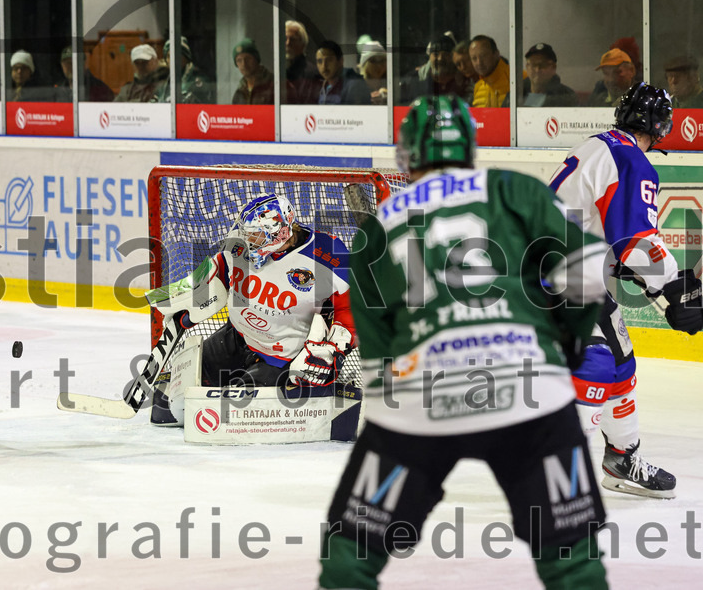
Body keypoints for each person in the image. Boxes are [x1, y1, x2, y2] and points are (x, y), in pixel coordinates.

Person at [319, 94, 611, 589]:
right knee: (571, 560)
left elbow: (377, 352)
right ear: (471, 148)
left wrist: (395, 422)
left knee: (351, 554)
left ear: (406, 156)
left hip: (419, 400)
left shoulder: (377, 228)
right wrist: (569, 343)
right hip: (530, 388)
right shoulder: (511, 188)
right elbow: (587, 271)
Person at [549, 82, 698, 499]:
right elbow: (633, 239)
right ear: (662, 126)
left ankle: (621, 459)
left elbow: (610, 239)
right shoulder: (632, 160)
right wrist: (673, 286)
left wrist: (662, 293)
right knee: (594, 361)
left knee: (620, 362)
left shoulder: (600, 147)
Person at [147, 193, 356, 425]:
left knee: (227, 418)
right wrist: (190, 299)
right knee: (164, 409)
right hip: (235, 338)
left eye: (254, 234)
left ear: (279, 233)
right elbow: (218, 271)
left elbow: (352, 314)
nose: (247, 238)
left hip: (280, 360)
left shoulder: (329, 255)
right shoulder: (239, 242)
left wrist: (332, 353)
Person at [397, 34, 466, 104]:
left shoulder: (465, 81)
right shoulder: (413, 81)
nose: (440, 59)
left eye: (445, 55)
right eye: (436, 54)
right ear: (429, 57)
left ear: (453, 57)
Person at [155, 36, 214, 104]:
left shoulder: (199, 80)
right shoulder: (163, 81)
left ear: (186, 58)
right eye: (169, 56)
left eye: (177, 55)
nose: (172, 60)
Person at [521, 43, 578, 107]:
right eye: (533, 64)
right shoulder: (515, 96)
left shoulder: (566, 97)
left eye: (543, 65)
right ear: (527, 67)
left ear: (554, 67)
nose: (537, 70)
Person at [313, 40, 368, 105]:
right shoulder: (323, 85)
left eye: (329, 60)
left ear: (340, 61)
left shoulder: (353, 85)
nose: (323, 66)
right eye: (319, 61)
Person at [469, 34, 509, 107]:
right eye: (474, 58)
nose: (479, 62)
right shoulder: (477, 87)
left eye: (483, 56)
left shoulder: (517, 79)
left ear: (496, 54)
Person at [231, 38, 274, 105]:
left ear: (256, 59)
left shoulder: (274, 85)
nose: (244, 64)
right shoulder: (239, 93)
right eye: (239, 60)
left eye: (248, 59)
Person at [284, 20, 318, 104]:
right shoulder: (276, 69)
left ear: (303, 44)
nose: (288, 43)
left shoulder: (311, 73)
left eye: (292, 39)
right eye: (285, 39)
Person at [356, 38, 387, 104]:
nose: (378, 65)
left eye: (382, 61)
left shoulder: (391, 84)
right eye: (373, 61)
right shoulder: (357, 86)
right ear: (365, 65)